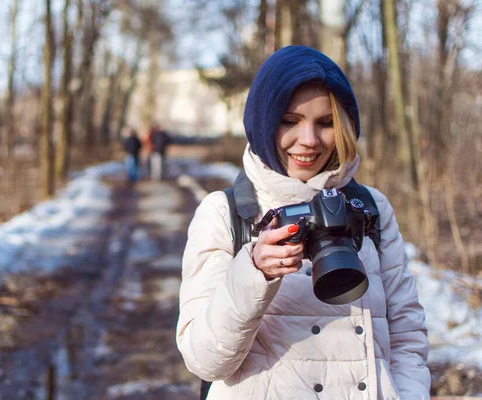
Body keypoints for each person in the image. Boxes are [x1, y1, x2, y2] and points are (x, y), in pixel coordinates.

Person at [176, 46, 430, 399]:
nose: (309, 141)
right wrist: (254, 271)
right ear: (264, 122)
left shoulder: (370, 208)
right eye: (290, 121)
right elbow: (204, 361)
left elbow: (407, 338)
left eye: (326, 123)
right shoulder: (225, 213)